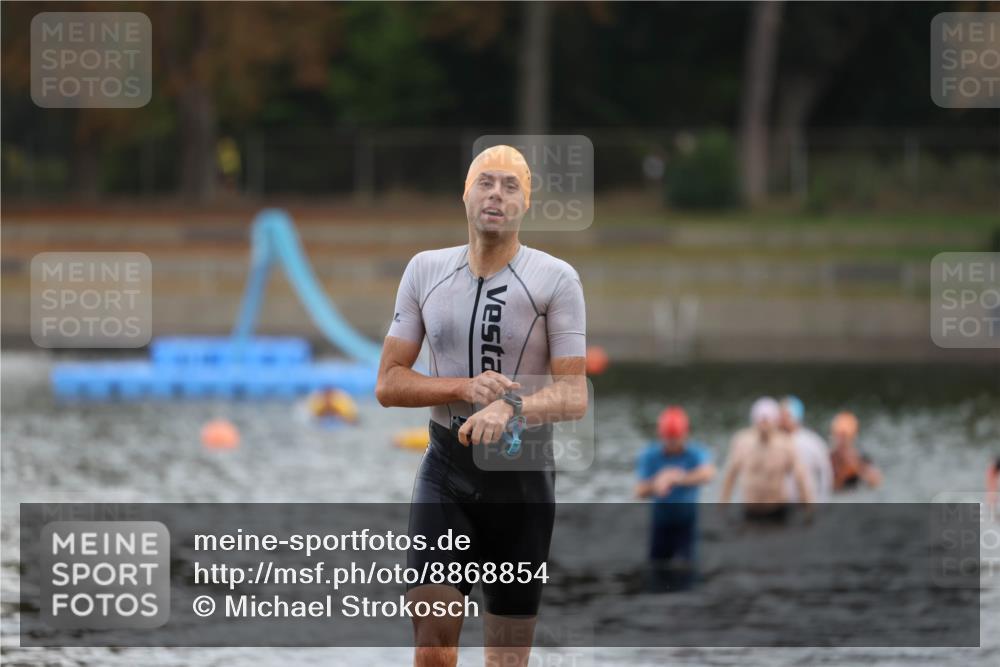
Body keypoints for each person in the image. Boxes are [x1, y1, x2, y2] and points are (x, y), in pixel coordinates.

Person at [375, 144, 588, 667]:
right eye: (486, 183)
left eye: (510, 186)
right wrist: (464, 388)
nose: (496, 194)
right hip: (445, 470)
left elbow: (574, 394)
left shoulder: (556, 279)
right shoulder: (425, 271)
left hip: (522, 480)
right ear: (465, 194)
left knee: (506, 661)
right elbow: (388, 383)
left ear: (526, 202)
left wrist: (510, 408)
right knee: (432, 643)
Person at [635, 406, 715, 580]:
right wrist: (657, 482)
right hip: (661, 520)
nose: (671, 444)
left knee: (687, 569)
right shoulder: (650, 454)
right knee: (657, 568)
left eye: (675, 439)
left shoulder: (695, 453)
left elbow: (708, 473)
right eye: (668, 439)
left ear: (685, 435)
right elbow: (639, 491)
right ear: (661, 436)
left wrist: (677, 478)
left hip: (686, 521)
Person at [719, 397, 814, 522]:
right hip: (750, 511)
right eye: (761, 421)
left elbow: (801, 478)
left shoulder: (785, 444)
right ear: (754, 420)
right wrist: (722, 507)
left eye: (767, 421)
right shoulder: (742, 442)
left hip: (778, 510)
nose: (764, 426)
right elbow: (729, 476)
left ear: (775, 421)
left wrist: (809, 509)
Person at [779, 396, 832, 502]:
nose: (781, 420)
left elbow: (825, 473)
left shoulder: (812, 442)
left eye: (785, 416)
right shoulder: (775, 442)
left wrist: (822, 500)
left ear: (795, 417)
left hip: (807, 502)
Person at [829, 412, 882, 491]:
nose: (842, 441)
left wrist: (857, 469)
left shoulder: (861, 459)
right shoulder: (828, 459)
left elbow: (876, 482)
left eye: (845, 437)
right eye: (839, 436)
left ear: (853, 437)